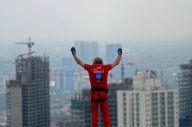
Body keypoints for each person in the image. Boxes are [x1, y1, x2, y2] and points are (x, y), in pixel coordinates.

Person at [71, 47, 122, 127]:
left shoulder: (90, 68)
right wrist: (119, 54)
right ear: (101, 63)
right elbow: (116, 62)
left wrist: (74, 54)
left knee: (94, 115)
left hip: (94, 94)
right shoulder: (105, 68)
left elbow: (79, 62)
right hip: (103, 94)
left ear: (94, 63)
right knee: (105, 114)